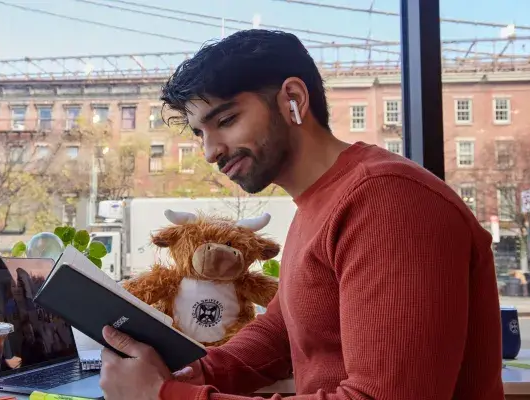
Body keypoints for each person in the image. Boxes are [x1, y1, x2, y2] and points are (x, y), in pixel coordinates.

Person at [97, 29, 504, 400]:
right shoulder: (317, 203)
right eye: (200, 134)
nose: (210, 152)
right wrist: (188, 373)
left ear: (293, 98)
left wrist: (166, 396)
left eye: (225, 120)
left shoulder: (388, 199)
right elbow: (279, 332)